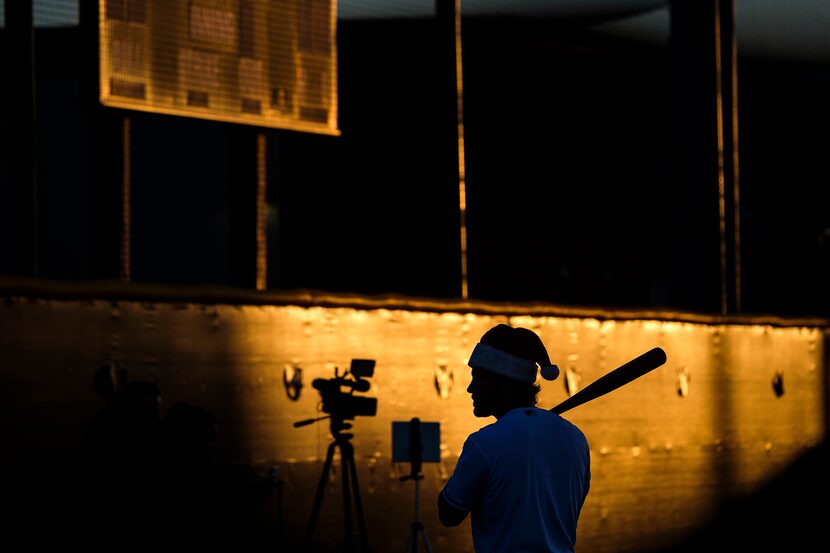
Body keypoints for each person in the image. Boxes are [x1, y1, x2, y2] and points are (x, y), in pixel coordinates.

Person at [437, 324, 591, 553]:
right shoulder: (576, 439)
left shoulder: (484, 444)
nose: (471, 388)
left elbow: (448, 513)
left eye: (479, 377)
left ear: (505, 381)